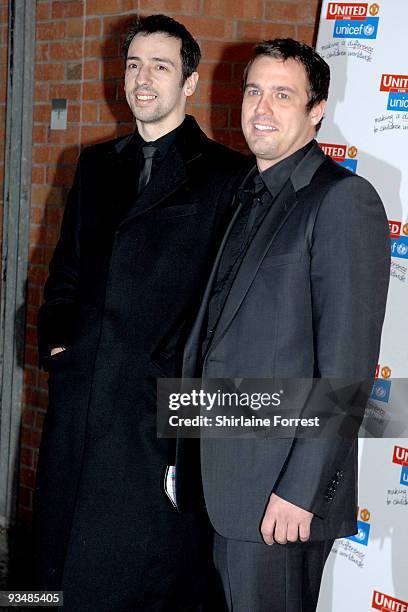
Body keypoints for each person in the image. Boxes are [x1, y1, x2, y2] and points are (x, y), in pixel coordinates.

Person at [33, 14, 246, 611]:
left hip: (154, 420)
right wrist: (61, 348)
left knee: (140, 577)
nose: (143, 79)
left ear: (190, 83)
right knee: (52, 577)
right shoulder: (96, 165)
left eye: (161, 66)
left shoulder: (226, 176)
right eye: (133, 64)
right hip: (79, 407)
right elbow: (63, 276)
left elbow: (225, 307)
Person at [176, 39, 390, 611]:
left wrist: (300, 493)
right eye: (253, 91)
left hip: (278, 501)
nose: (261, 109)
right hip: (217, 482)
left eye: (283, 95)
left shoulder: (344, 201)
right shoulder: (245, 194)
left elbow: (348, 369)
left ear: (316, 110)